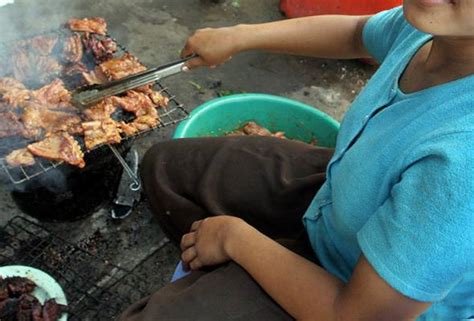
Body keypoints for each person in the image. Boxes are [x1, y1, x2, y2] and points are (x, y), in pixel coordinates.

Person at [120, 1, 474, 320]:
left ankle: (238, 283)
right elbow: (356, 33)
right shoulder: (432, 24)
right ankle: (234, 277)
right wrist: (239, 36)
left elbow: (356, 316)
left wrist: (236, 239)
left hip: (355, 297)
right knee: (166, 168)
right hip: (339, 199)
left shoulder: (462, 161)